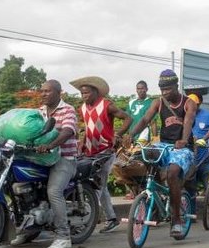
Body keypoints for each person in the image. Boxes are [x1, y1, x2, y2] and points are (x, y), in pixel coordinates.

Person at [127, 69, 197, 238]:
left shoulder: (188, 103)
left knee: (173, 173)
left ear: (176, 86)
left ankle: (176, 220)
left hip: (182, 147)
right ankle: (155, 196)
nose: (165, 93)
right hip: (164, 144)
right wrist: (131, 134)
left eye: (168, 89)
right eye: (162, 89)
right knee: (145, 156)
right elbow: (145, 119)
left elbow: (188, 121)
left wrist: (184, 139)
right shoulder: (158, 102)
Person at [10, 80, 78, 248]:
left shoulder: (67, 110)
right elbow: (28, 132)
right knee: (19, 186)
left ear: (58, 92)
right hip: (42, 159)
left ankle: (63, 237)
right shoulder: (38, 112)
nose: (43, 94)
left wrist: (52, 144)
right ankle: (29, 229)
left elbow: (67, 131)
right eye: (41, 91)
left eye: (47, 91)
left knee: (53, 191)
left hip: (64, 158)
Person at [71, 76, 132, 233]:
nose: (84, 96)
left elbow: (128, 118)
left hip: (105, 152)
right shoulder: (83, 108)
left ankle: (85, 222)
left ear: (96, 92)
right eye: (82, 93)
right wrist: (84, 141)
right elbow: (89, 126)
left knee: (97, 187)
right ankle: (111, 219)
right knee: (100, 186)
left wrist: (118, 134)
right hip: (89, 152)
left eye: (87, 93)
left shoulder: (107, 105)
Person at [121, 80, 156, 199]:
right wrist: (126, 134)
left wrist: (155, 139)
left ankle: (141, 189)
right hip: (132, 136)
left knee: (137, 161)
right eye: (138, 88)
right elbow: (128, 119)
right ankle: (132, 190)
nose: (140, 90)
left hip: (144, 136)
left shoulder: (151, 103)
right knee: (125, 162)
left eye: (142, 88)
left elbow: (153, 122)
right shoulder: (131, 103)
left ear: (146, 89)